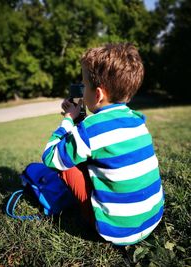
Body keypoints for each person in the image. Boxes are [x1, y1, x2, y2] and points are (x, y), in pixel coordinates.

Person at [42, 43, 164, 245]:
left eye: (84, 85)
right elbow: (99, 139)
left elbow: (50, 157)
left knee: (66, 165)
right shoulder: (137, 120)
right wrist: (78, 122)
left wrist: (68, 120)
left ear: (97, 94)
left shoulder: (90, 129)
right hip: (152, 218)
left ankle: (91, 215)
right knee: (80, 154)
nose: (83, 89)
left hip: (117, 231)